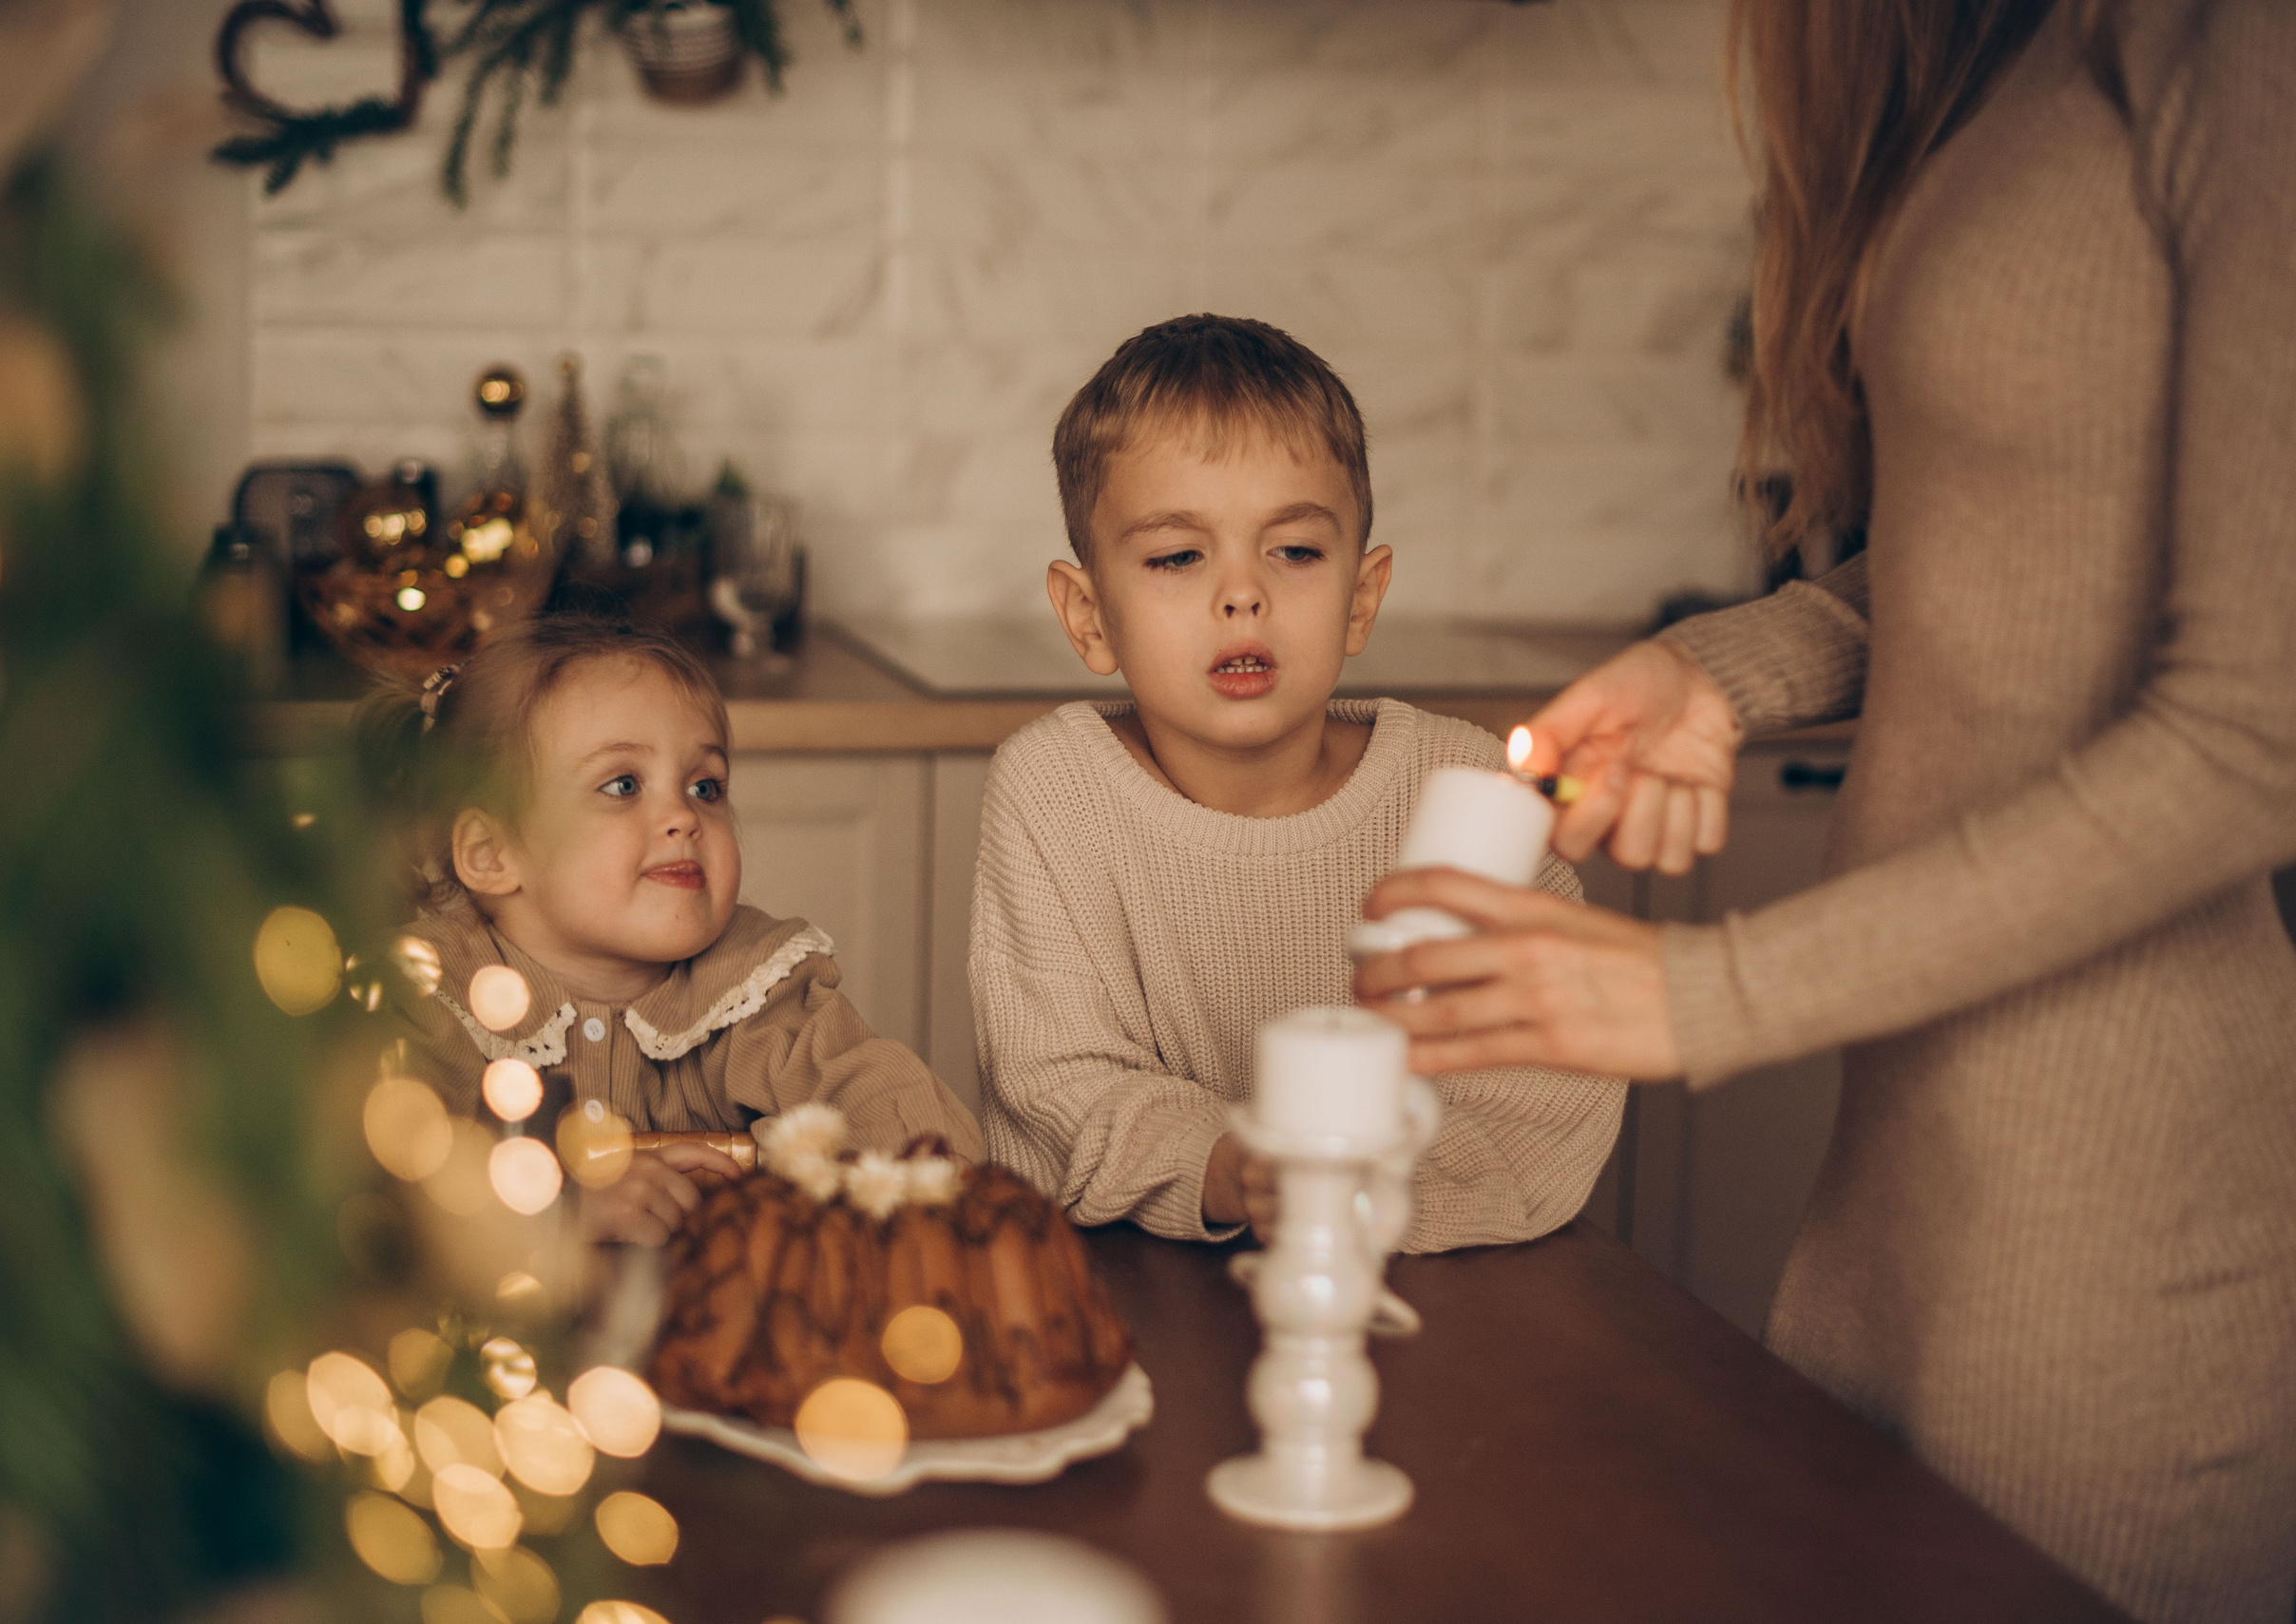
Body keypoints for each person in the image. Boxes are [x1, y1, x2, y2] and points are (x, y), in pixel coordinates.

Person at [1353, 3, 2296, 1618]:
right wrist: (1722, 671)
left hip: (2117, 1206)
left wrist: (1698, 991)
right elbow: (2023, 540)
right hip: (1903, 1170)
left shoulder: (2231, 43)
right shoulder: (2008, 61)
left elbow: (2251, 732)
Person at [972, 314, 1624, 1250]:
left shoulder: (1467, 782)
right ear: (1088, 617)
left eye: (1295, 551)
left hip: (1431, 1298)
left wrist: (1363, 1197)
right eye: (1176, 556)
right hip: (1133, 1300)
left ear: (1361, 596)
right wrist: (1229, 1163)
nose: (1243, 593)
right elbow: (1056, 1086)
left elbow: (1547, 1086)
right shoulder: (1053, 790)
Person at [361, 615, 981, 1247]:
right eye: (623, 784)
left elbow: (916, 1128)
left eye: (705, 786)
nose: (684, 816)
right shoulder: (424, 998)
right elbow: (354, 1202)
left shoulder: (755, 986)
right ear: (493, 852)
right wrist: (559, 1203)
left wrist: (771, 1172)